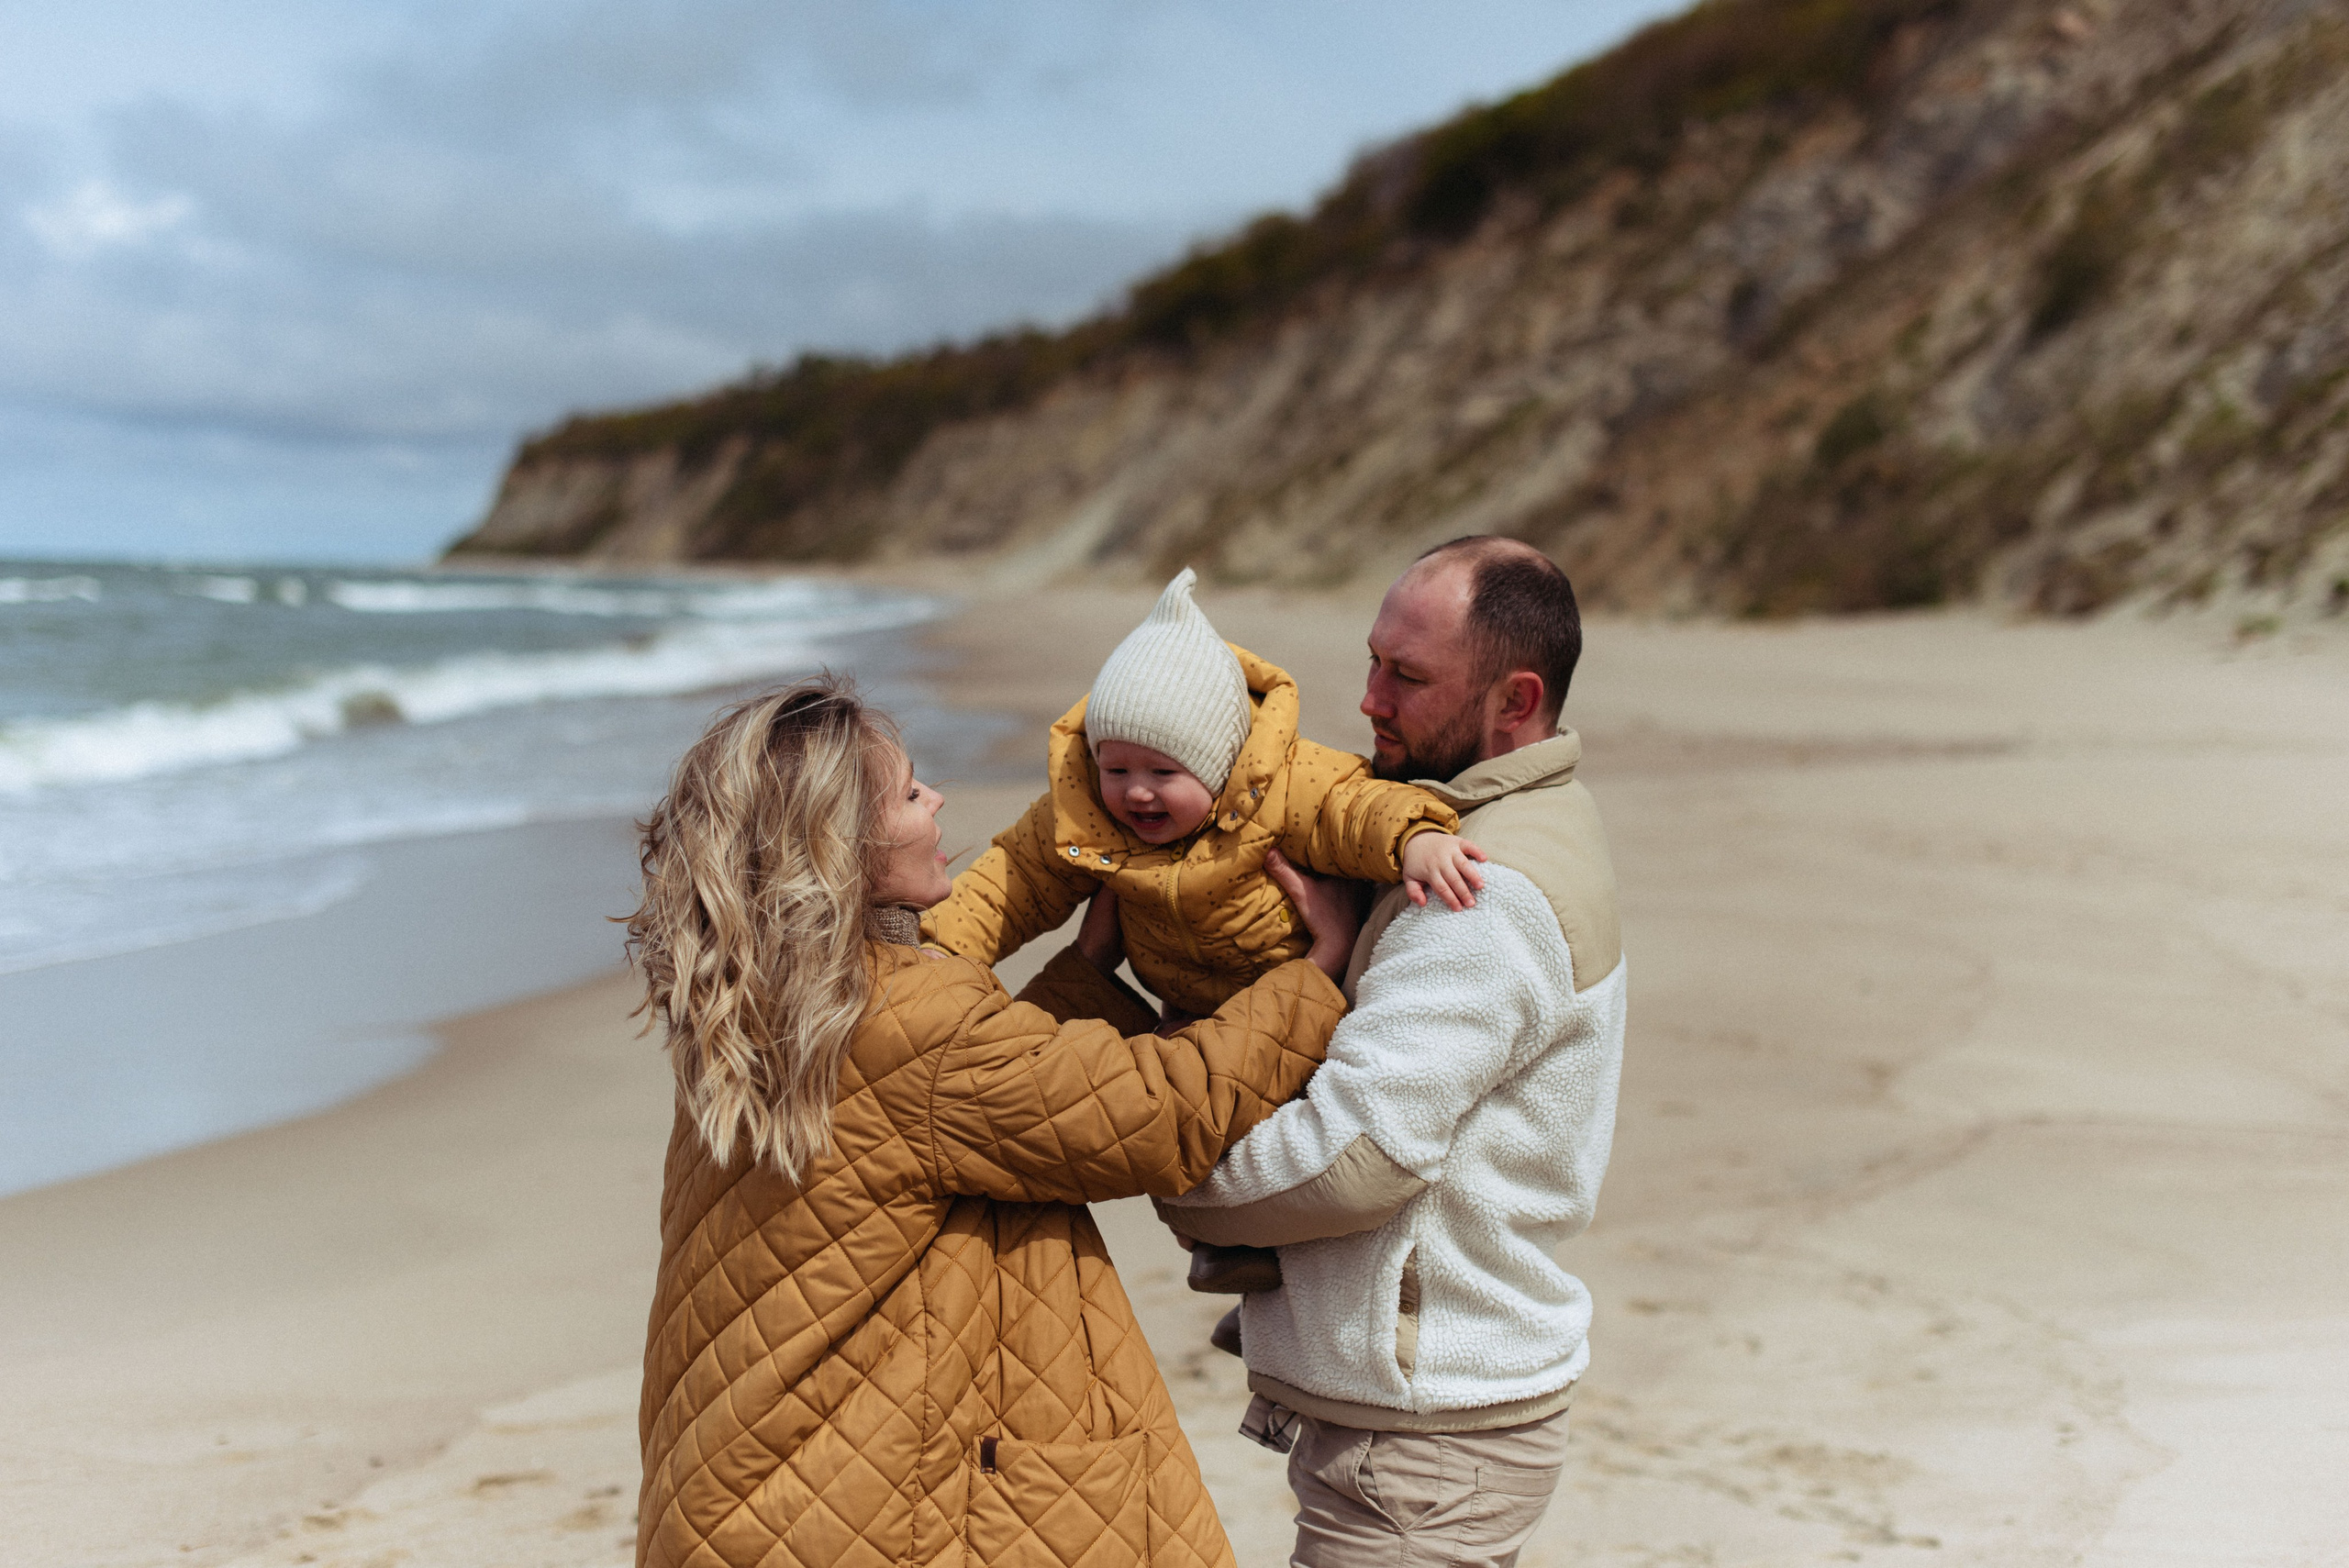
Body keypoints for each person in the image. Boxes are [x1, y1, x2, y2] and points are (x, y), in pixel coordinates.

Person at [623, 675, 1360, 1568]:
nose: (934, 800)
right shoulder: (903, 1016)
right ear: (839, 844)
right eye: (905, 791)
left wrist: (1086, 974)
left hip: (750, 1482)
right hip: (862, 1507)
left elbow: (964, 1113)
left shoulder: (756, 1004)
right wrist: (1314, 973)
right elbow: (1157, 1111)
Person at [1158, 537, 1627, 1568]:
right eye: (1373, 659)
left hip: (1422, 1440)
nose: (1368, 698)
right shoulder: (1498, 821)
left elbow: (1355, 1158)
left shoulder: (1480, 892)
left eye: (1407, 677)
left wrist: (1168, 1165)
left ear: (1515, 700)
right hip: (1442, 1415)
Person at [921, 566, 1488, 1295]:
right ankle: (1223, 1250)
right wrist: (937, 950)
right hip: (1186, 1011)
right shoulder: (1088, 811)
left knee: (1274, 1123)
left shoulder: (1283, 787)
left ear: (1223, 765)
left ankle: (1266, 1250)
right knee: (1175, 1126)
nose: (1135, 792)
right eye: (1114, 766)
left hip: (1292, 998)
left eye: (1162, 770)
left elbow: (1355, 808)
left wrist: (1416, 839)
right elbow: (1012, 881)